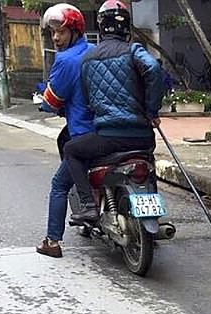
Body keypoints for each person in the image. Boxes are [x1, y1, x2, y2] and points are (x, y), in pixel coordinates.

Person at [64, 0, 166, 223]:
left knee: (71, 150)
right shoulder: (133, 51)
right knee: (148, 163)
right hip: (143, 137)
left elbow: (88, 100)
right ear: (126, 27)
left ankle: (89, 206)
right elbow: (154, 69)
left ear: (101, 27)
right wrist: (151, 109)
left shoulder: (88, 60)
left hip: (109, 138)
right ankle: (153, 211)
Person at [36, 3, 95, 258]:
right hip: (116, 130)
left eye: (60, 32)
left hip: (83, 133)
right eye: (53, 33)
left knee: (59, 184)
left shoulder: (65, 61)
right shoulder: (96, 51)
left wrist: (48, 102)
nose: (56, 38)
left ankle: (52, 240)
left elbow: (51, 101)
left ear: (75, 31)